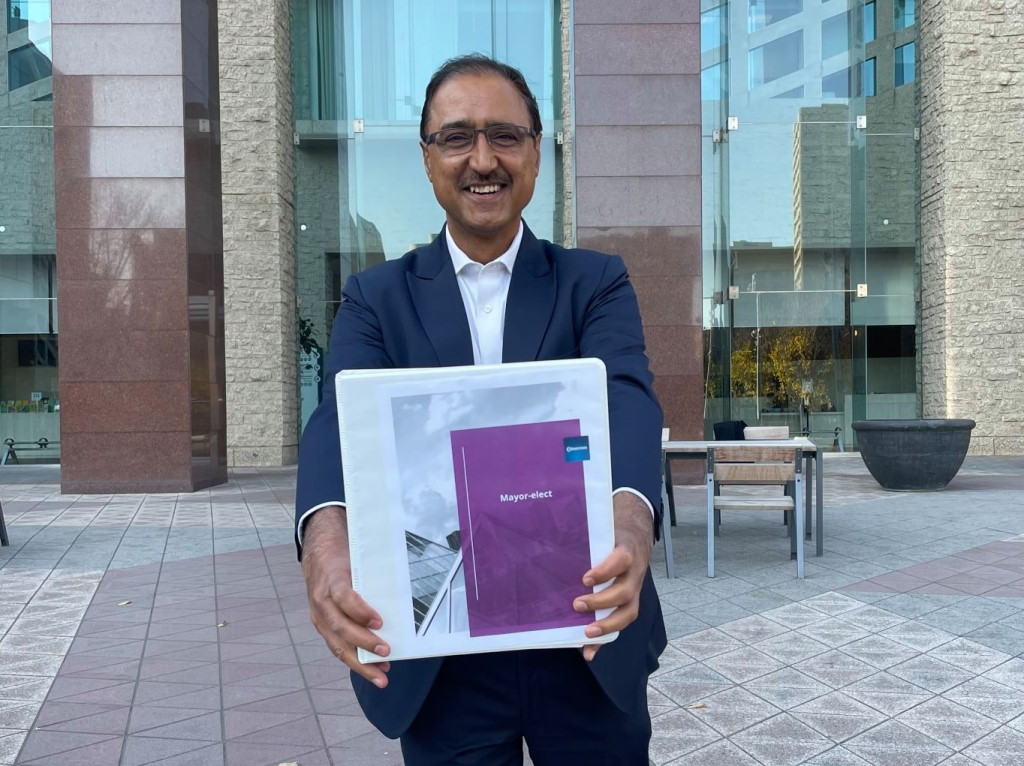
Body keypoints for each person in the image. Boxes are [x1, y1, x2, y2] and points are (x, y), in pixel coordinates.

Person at [295, 54, 667, 765]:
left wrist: (631, 524)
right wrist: (325, 545)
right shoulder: (377, 297)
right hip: (442, 648)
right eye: (457, 137)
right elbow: (339, 425)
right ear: (428, 158)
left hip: (582, 630)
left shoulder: (595, 283)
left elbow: (627, 401)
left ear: (535, 150)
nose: (483, 159)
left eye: (505, 135)